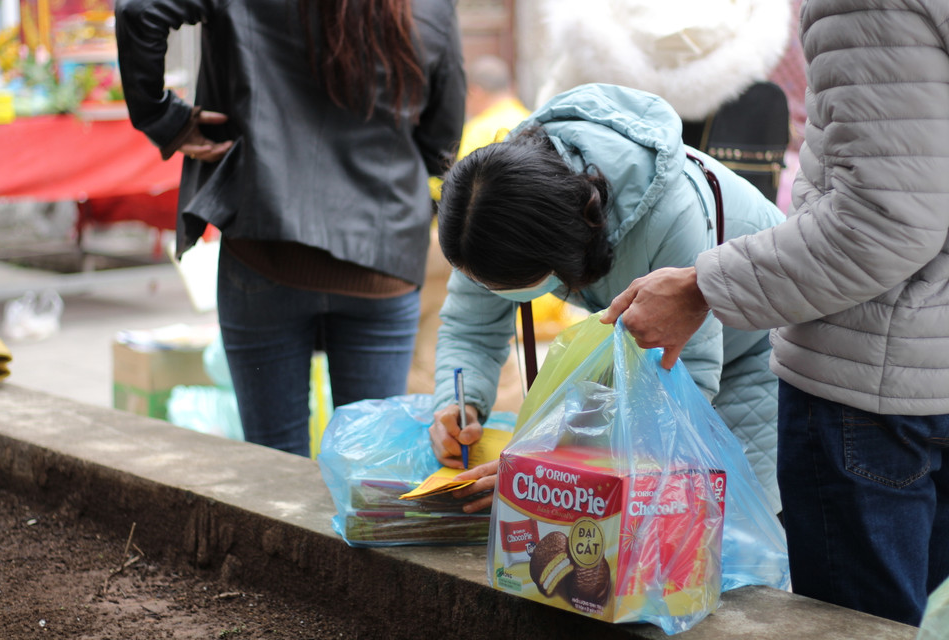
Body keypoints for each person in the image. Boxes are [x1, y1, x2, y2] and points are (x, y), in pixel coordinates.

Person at [601, 1, 949, 626]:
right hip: (918, 368)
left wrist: (701, 286)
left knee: (860, 628)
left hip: (875, 389)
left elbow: (883, 222)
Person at [115, 0, 466, 456]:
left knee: (274, 463)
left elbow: (139, 9)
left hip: (265, 247)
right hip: (382, 255)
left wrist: (163, 118)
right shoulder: (431, 7)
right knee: (368, 465)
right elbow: (441, 143)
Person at [428, 83, 786, 515]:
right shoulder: (486, 215)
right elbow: (470, 329)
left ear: (563, 252)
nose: (492, 294)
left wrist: (550, 468)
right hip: (670, 364)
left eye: (504, 286)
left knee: (719, 523)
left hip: (758, 351)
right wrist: (459, 404)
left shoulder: (667, 214)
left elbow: (681, 384)